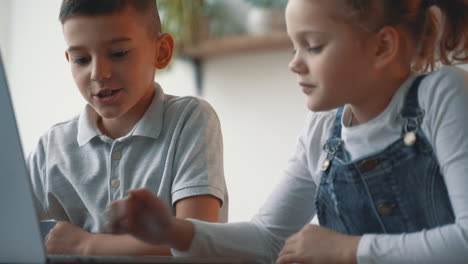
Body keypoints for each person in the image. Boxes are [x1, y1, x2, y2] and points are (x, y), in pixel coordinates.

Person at [104, 0, 468, 263]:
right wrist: (171, 231)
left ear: (382, 46)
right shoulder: (324, 127)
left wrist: (348, 250)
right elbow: (266, 238)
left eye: (313, 46)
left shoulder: (441, 93)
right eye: (295, 46)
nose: (294, 63)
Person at [26, 0, 228, 257]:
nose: (99, 73)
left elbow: (198, 242)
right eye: (81, 59)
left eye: (119, 53)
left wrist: (86, 245)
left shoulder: (190, 119)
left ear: (162, 51)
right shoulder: (51, 147)